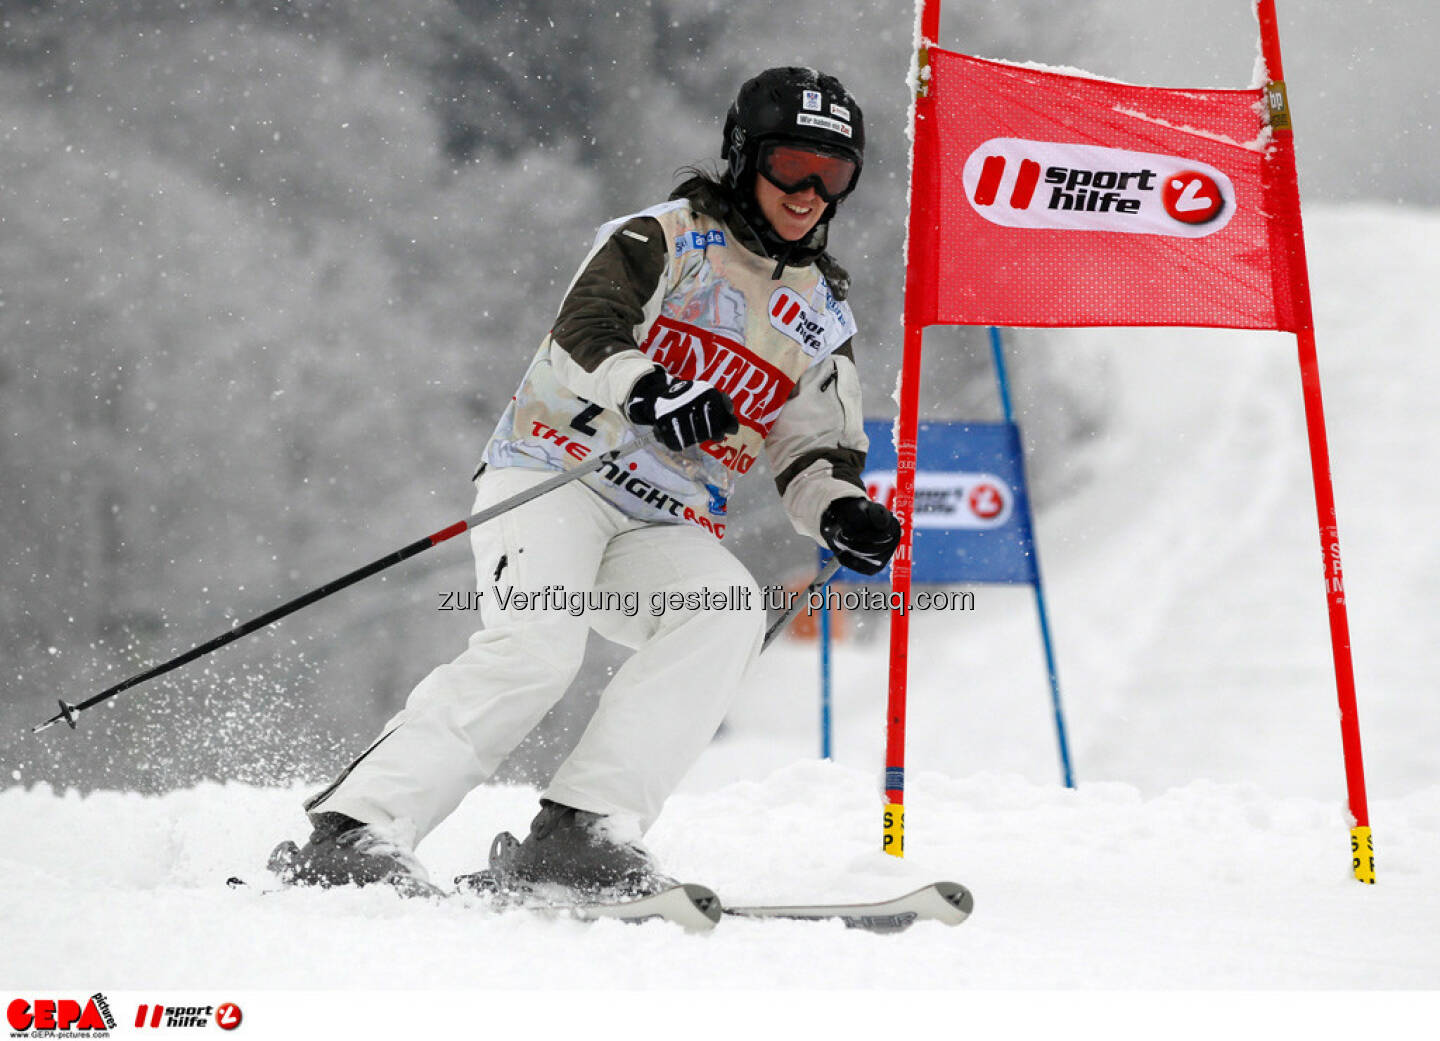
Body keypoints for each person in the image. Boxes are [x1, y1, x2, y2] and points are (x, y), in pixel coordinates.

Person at [269, 66, 902, 898]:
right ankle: (353, 831)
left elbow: (815, 449)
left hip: (665, 523)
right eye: (793, 164)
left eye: (835, 175)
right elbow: (587, 329)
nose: (810, 192)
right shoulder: (663, 238)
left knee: (728, 612)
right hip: (553, 475)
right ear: (744, 156)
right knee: (536, 644)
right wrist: (651, 388)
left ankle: (581, 830)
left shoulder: (821, 310)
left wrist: (842, 511)